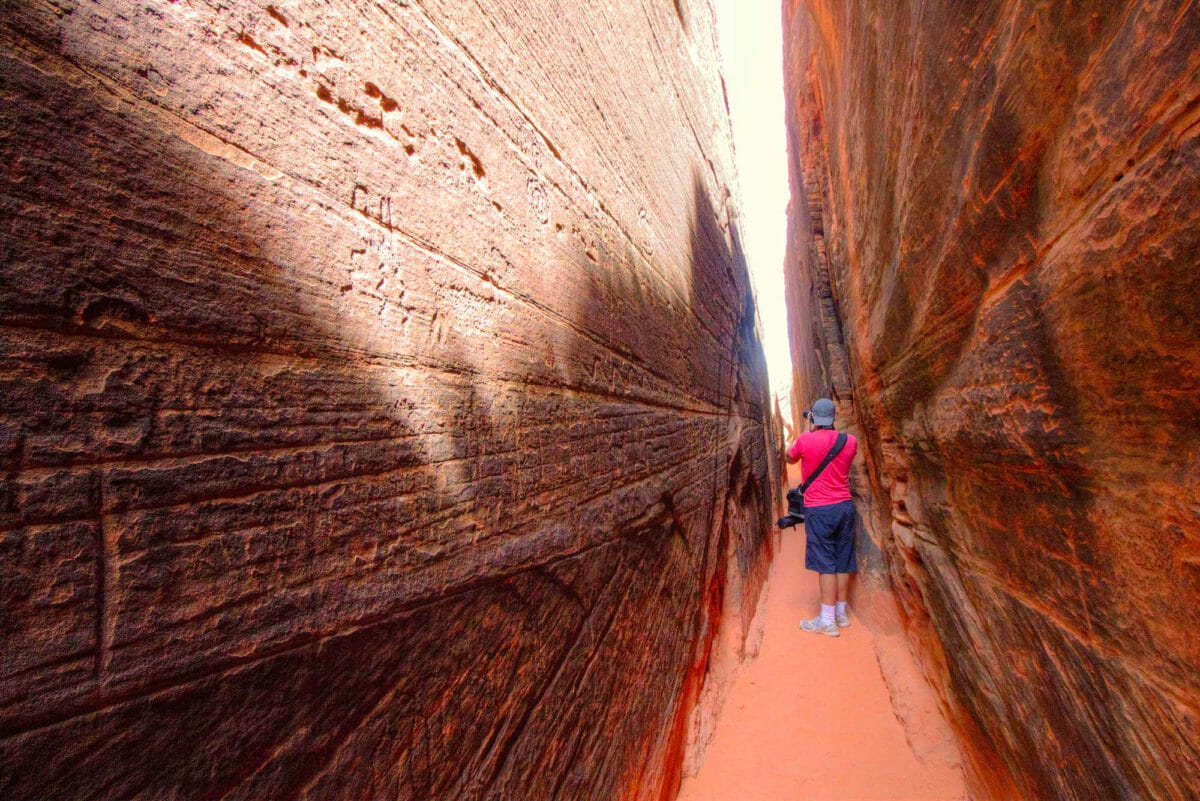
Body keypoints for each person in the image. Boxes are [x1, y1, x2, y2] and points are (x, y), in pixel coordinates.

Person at [785, 397, 858, 637]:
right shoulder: (850, 441)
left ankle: (827, 621)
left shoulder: (806, 440)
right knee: (843, 559)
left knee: (826, 563)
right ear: (834, 418)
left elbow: (790, 457)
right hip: (844, 507)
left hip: (819, 509)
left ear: (813, 418)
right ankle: (841, 613)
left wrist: (808, 429)